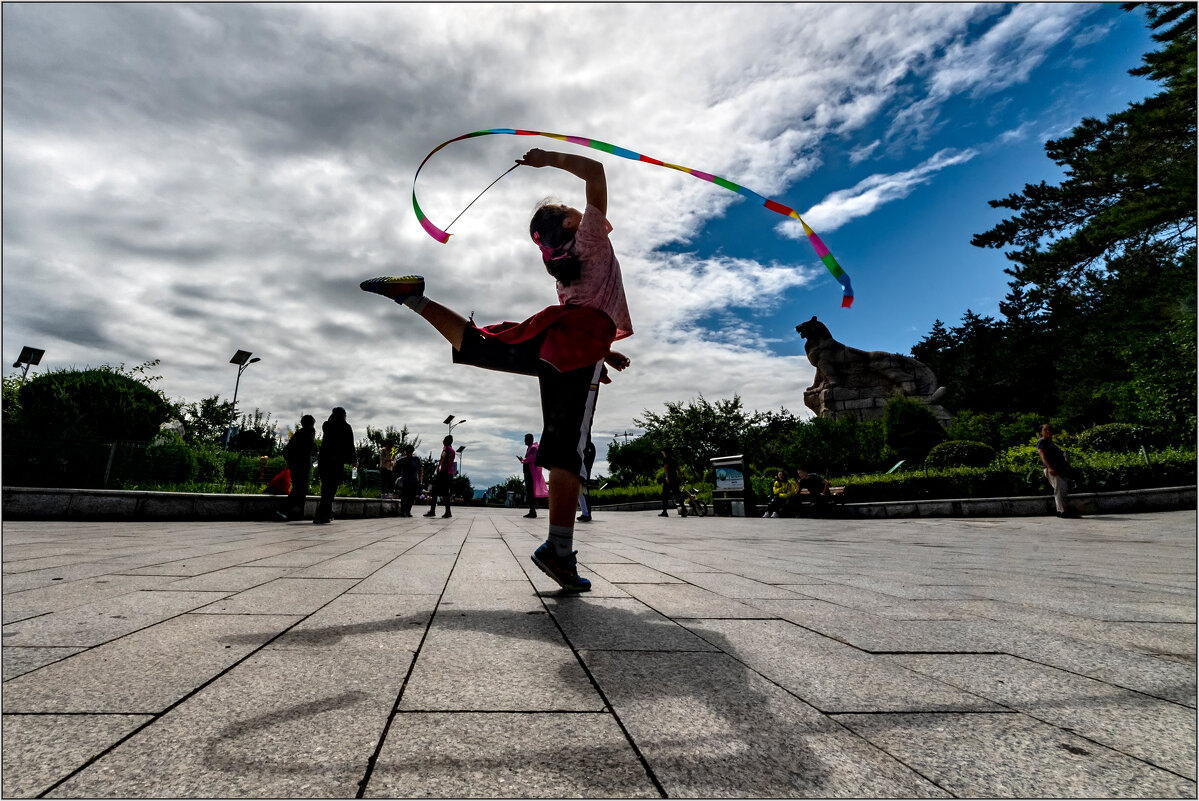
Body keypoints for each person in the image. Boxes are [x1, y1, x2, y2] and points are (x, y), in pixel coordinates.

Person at [361, 147, 632, 592]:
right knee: (569, 450)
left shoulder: (565, 269)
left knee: (482, 345)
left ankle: (413, 297)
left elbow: (584, 315)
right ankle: (559, 551)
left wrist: (604, 354)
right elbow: (598, 170)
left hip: (560, 344)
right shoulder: (590, 241)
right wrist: (547, 158)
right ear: (569, 224)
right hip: (576, 348)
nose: (577, 211)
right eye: (570, 210)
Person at [314, 407, 356, 525]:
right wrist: (354, 459)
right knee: (331, 488)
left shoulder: (327, 425)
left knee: (326, 487)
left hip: (324, 460)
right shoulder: (346, 427)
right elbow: (350, 444)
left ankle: (326, 513)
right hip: (336, 461)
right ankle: (323, 514)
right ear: (343, 415)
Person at [276, 414, 317, 521]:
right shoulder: (310, 430)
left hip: (295, 464)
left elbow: (289, 448)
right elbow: (311, 443)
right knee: (301, 489)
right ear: (312, 423)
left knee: (297, 488)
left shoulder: (298, 433)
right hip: (303, 464)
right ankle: (288, 511)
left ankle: (293, 513)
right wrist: (317, 452)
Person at [1037, 423, 1078, 518]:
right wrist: (1050, 468)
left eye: (1050, 430)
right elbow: (1042, 456)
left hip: (1059, 469)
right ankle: (1062, 511)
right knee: (1059, 489)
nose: (1048, 432)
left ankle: (1061, 511)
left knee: (1062, 489)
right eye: (1045, 430)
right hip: (1052, 469)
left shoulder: (1050, 442)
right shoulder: (1042, 441)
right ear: (1041, 432)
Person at [424, 435, 457, 518]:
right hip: (450, 473)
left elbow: (443, 456)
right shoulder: (453, 451)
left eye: (444, 439)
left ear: (445, 441)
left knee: (434, 491)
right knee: (446, 493)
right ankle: (448, 511)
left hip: (443, 473)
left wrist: (439, 466)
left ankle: (432, 511)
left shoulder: (446, 448)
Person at [517, 433, 546, 518]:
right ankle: (531, 510)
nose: (524, 441)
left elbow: (533, 458)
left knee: (530, 492)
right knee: (529, 492)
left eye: (525, 439)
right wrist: (523, 460)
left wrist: (523, 460)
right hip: (528, 472)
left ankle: (532, 511)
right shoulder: (530, 448)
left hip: (530, 473)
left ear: (530, 439)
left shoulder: (533, 448)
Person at [395, 443, 423, 517]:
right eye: (407, 451)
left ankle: (408, 511)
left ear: (412, 451)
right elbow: (395, 464)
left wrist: (420, 480)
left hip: (414, 481)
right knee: (404, 497)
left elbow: (420, 469)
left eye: (410, 451)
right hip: (405, 481)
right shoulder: (402, 459)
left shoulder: (416, 459)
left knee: (412, 497)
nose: (408, 453)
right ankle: (403, 511)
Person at [659, 449, 688, 518]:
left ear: (665, 453)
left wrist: (666, 477)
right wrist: (681, 479)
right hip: (675, 479)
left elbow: (666, 468)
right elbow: (678, 470)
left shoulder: (665, 459)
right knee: (677, 495)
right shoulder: (674, 460)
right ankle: (684, 510)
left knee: (665, 495)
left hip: (669, 480)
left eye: (663, 452)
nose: (662, 453)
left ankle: (664, 512)